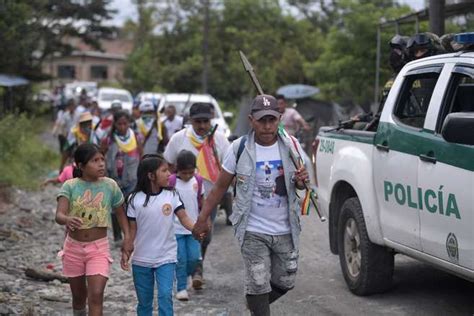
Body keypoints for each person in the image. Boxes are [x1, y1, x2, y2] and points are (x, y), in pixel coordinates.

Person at [192, 94, 309, 316]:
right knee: (257, 281)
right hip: (252, 229)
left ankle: (253, 306)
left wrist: (302, 182)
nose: (267, 126)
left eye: (272, 120)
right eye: (262, 120)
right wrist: (202, 218)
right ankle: (258, 307)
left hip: (286, 228)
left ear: (279, 120)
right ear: (251, 120)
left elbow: (303, 185)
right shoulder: (239, 148)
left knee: (286, 279)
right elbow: (219, 188)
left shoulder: (291, 145)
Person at [55, 143, 132, 316]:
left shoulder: (110, 186)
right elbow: (59, 215)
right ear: (81, 166)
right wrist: (67, 219)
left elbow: (121, 214)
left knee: (96, 295)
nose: (101, 164)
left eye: (102, 160)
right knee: (78, 297)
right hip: (73, 248)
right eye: (94, 161)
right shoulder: (70, 186)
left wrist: (127, 238)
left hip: (98, 248)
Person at [164, 102, 230, 290]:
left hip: (209, 198)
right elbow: (168, 164)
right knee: (181, 236)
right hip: (180, 201)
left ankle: (197, 268)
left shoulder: (220, 140)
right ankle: (187, 271)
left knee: (205, 236)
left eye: (206, 121)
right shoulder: (179, 139)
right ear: (190, 121)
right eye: (198, 121)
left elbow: (228, 168)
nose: (202, 126)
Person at [122, 154, 195, 316]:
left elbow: (183, 218)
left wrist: (196, 229)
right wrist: (126, 249)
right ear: (151, 176)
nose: (169, 174)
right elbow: (132, 230)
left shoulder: (172, 195)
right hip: (141, 259)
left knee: (165, 295)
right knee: (144, 301)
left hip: (166, 257)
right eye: (164, 171)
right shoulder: (134, 199)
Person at [101, 110, 142, 242]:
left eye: (125, 124)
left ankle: (129, 235)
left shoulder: (135, 137)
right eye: (119, 124)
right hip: (114, 179)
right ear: (115, 124)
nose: (123, 127)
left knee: (131, 206)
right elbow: (101, 155)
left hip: (132, 177)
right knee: (115, 207)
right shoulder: (108, 138)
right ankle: (117, 236)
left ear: (129, 123)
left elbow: (141, 155)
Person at [168, 150, 203, 301]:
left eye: (190, 172)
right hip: (175, 228)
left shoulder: (198, 181)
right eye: (184, 172)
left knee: (194, 258)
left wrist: (204, 221)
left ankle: (188, 275)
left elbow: (202, 202)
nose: (188, 176)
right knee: (180, 258)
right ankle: (181, 287)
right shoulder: (171, 182)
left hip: (193, 227)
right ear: (177, 169)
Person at [53, 98, 76, 171]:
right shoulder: (65, 115)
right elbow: (62, 126)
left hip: (77, 137)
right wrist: (64, 134)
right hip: (68, 138)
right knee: (65, 153)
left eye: (73, 106)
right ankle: (61, 170)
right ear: (68, 107)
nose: (72, 108)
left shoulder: (78, 115)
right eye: (70, 106)